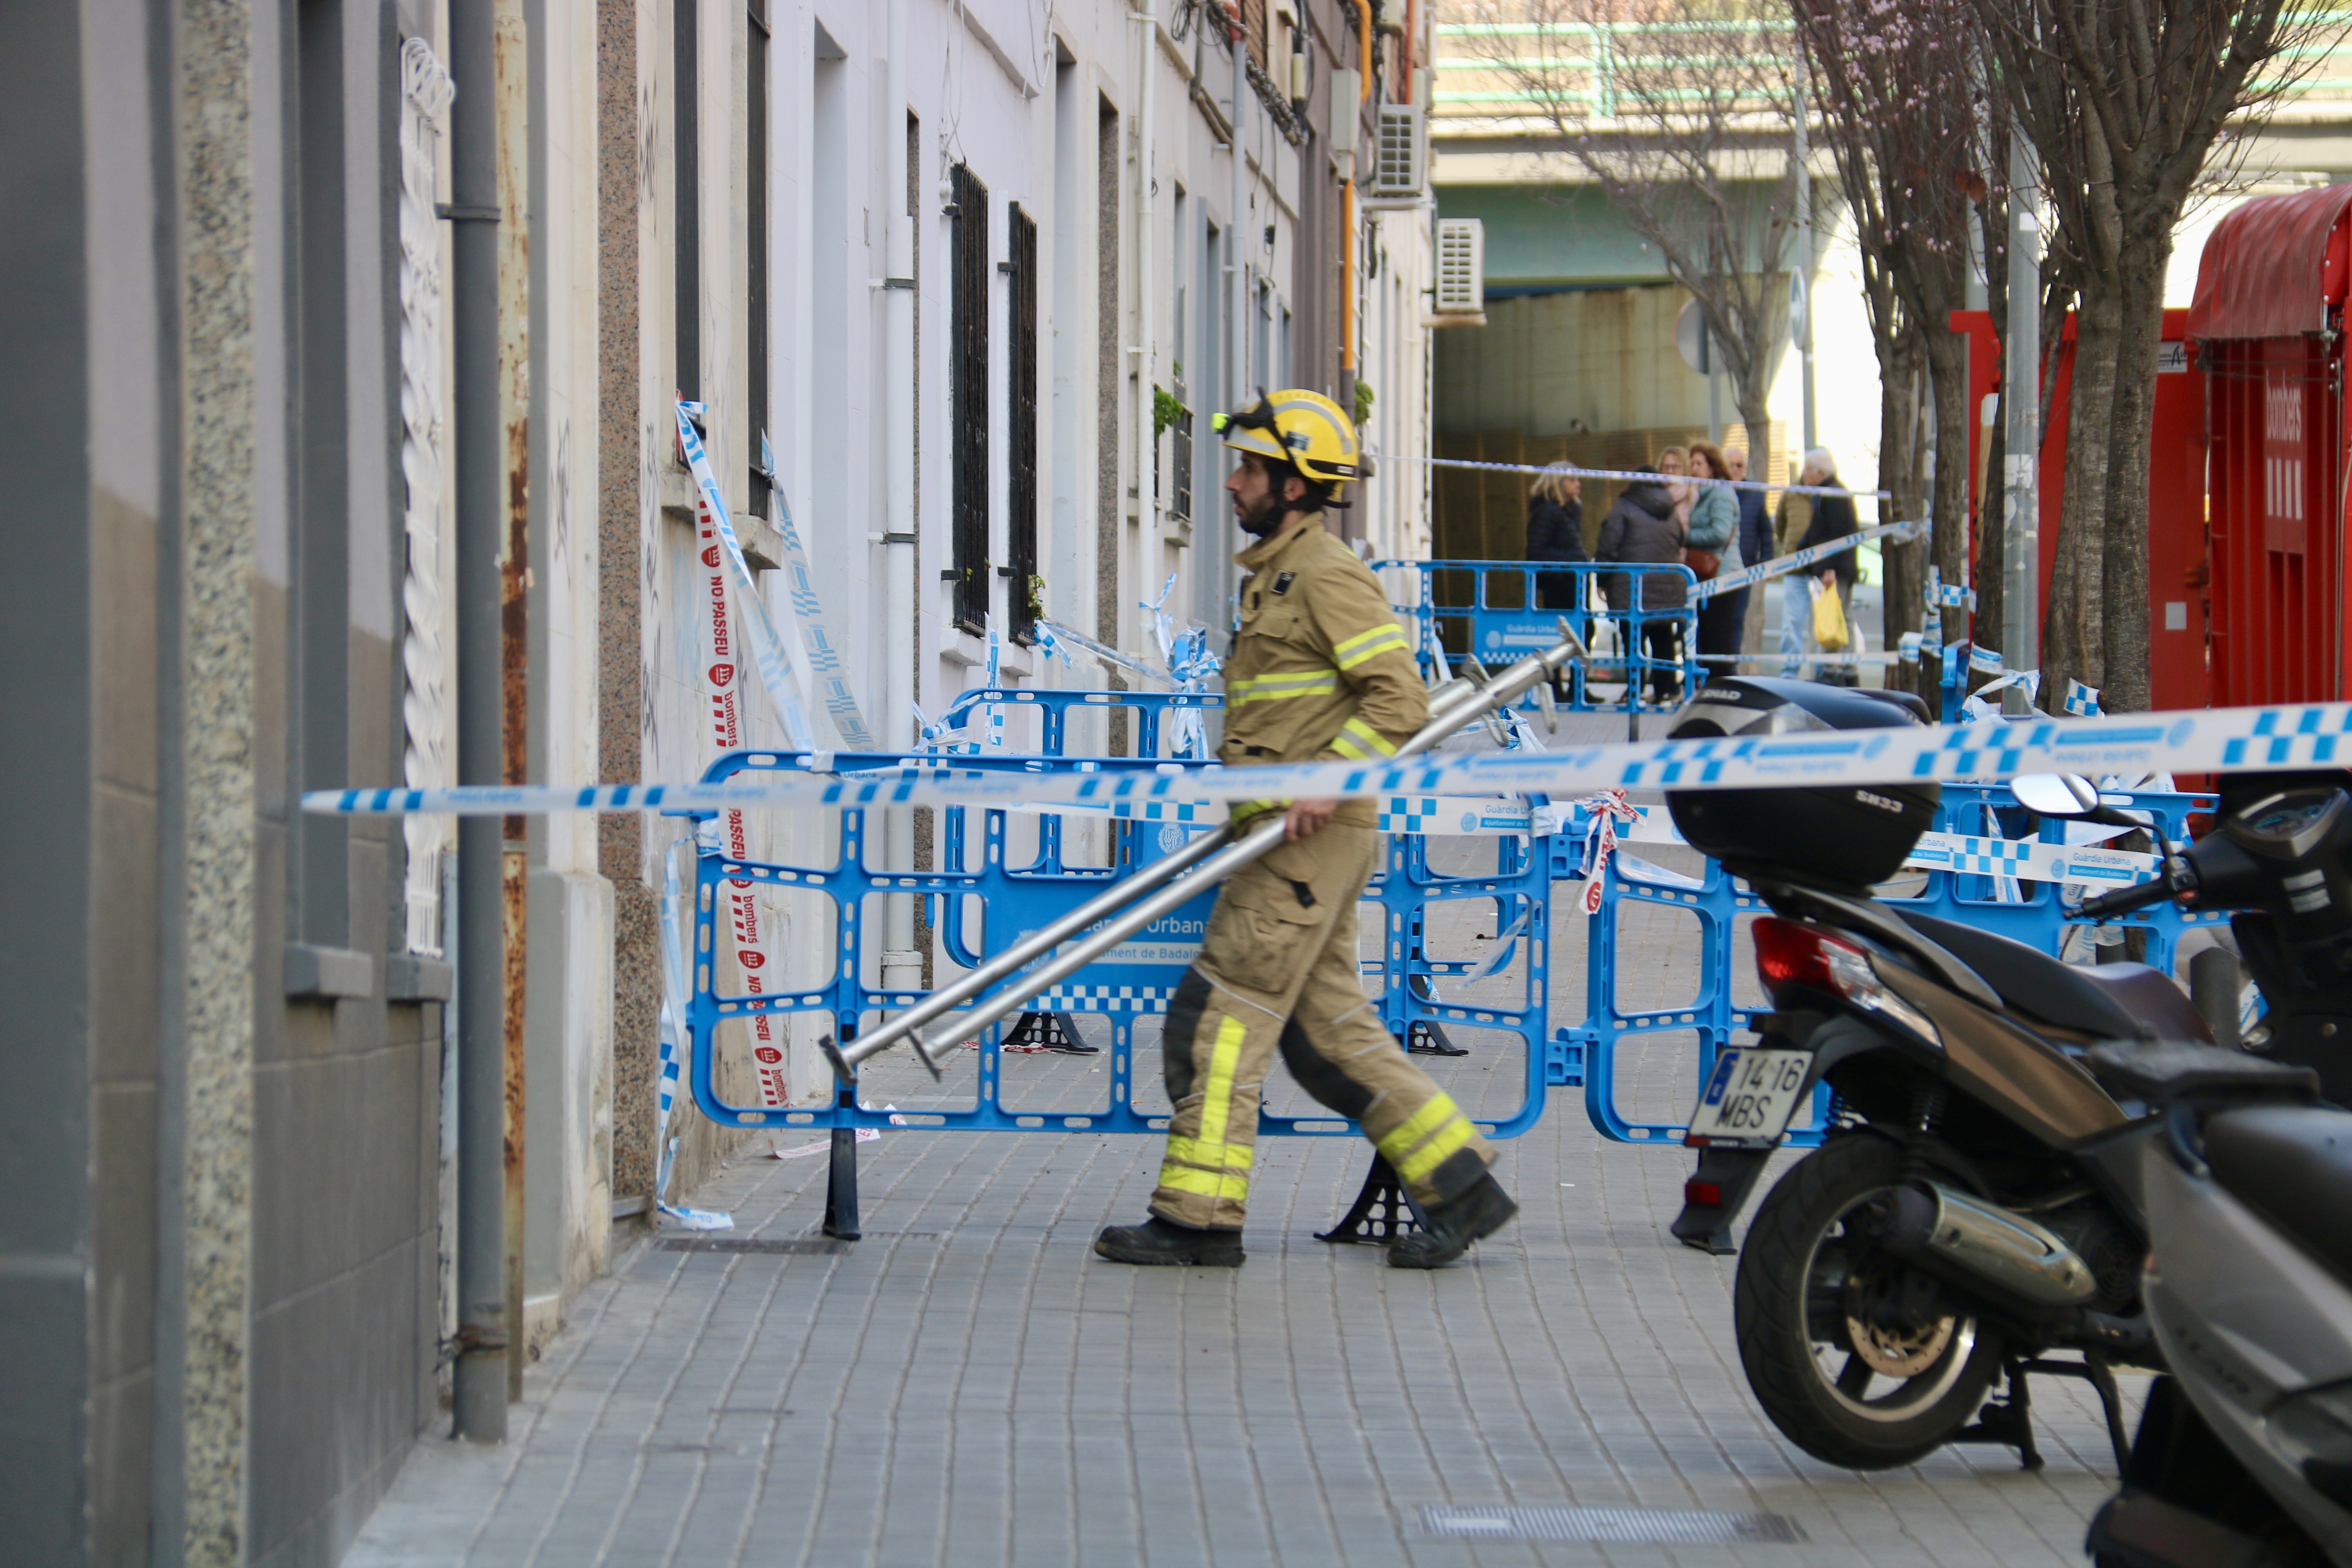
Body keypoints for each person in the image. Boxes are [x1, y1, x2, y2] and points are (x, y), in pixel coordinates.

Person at [1093, 390, 1517, 1271]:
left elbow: (1397, 695)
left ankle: (1199, 1217)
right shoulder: (1278, 572)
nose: (1233, 482)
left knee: (1216, 1024)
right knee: (1331, 1040)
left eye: (1250, 467)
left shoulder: (1325, 573)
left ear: (1293, 486)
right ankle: (1463, 1180)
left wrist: (1328, 776)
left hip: (1302, 845)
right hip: (1289, 840)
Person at [1594, 461, 1686, 705]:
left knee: (1633, 639)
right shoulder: (1671, 510)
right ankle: (1667, 689)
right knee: (1663, 636)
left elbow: (1608, 545)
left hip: (1632, 587)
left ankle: (1634, 690)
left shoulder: (1624, 507)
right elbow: (1680, 539)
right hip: (1668, 585)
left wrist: (1602, 580)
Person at [1793, 450, 1860, 684]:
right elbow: (1816, 532)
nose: (1804, 474)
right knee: (1839, 615)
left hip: (1836, 569)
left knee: (1836, 617)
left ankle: (1835, 672)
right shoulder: (1825, 493)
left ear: (1819, 471)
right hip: (1835, 567)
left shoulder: (1833, 494)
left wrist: (1829, 568)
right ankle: (1842, 670)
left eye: (1807, 469)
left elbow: (1838, 533)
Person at [1684, 441, 1745, 667]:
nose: (1694, 469)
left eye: (1699, 463)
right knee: (1706, 639)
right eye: (1692, 464)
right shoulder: (1700, 495)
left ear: (1713, 467)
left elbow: (1720, 534)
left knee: (1719, 641)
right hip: (1705, 577)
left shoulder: (1721, 495)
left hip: (1723, 577)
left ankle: (1723, 689)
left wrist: (1685, 536)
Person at [1773, 456, 1819, 676]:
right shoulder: (1791, 494)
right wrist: (1790, 549)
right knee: (1792, 624)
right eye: (1809, 469)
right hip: (1795, 570)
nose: (1811, 474)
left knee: (1823, 625)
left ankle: (1822, 672)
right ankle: (1789, 673)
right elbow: (1779, 524)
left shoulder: (1828, 494)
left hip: (1821, 570)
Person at [1524, 465, 1588, 612]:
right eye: (1572, 480)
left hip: (1574, 582)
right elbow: (1536, 553)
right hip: (1561, 586)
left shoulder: (1569, 512)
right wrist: (1567, 568)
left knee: (1585, 630)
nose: (1578, 484)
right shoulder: (1547, 512)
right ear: (1558, 483)